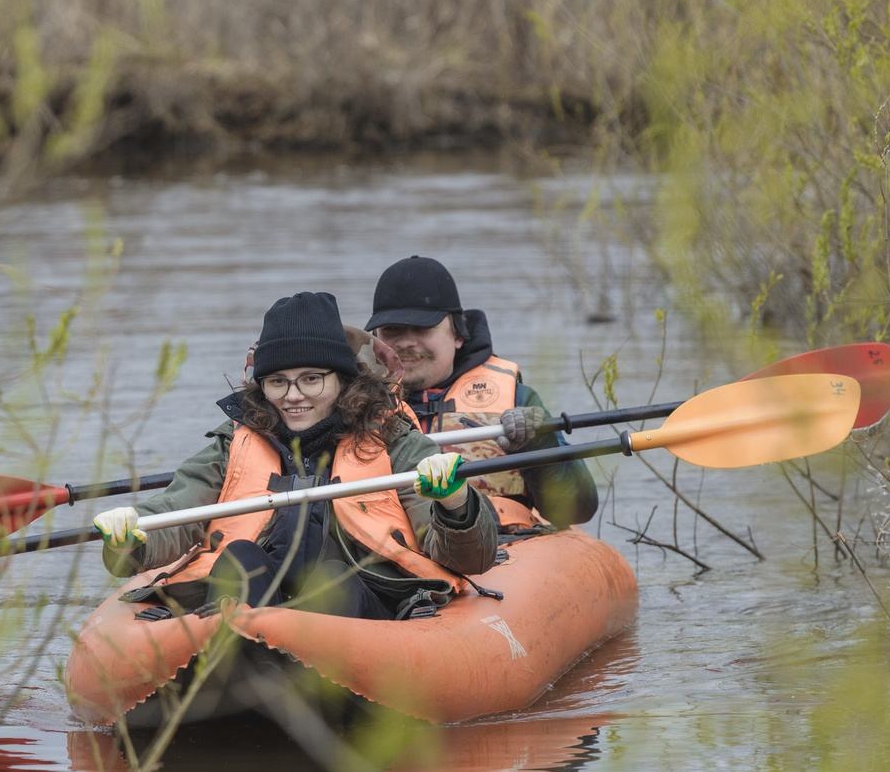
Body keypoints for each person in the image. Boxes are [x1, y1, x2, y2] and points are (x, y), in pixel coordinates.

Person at [93, 291, 497, 620]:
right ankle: (234, 658)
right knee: (240, 557)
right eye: (277, 382)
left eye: (311, 379)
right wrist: (134, 536)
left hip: (366, 599)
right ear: (262, 386)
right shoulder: (232, 442)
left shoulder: (394, 438)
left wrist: (454, 503)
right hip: (259, 602)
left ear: (342, 380)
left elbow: (470, 557)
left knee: (334, 576)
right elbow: (179, 505)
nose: (293, 396)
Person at [362, 255, 599, 529]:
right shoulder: (352, 404)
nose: (405, 342)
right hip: (394, 547)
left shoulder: (516, 399)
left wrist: (538, 444)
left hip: (502, 543)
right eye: (392, 330)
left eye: (422, 328)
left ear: (458, 334)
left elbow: (578, 509)